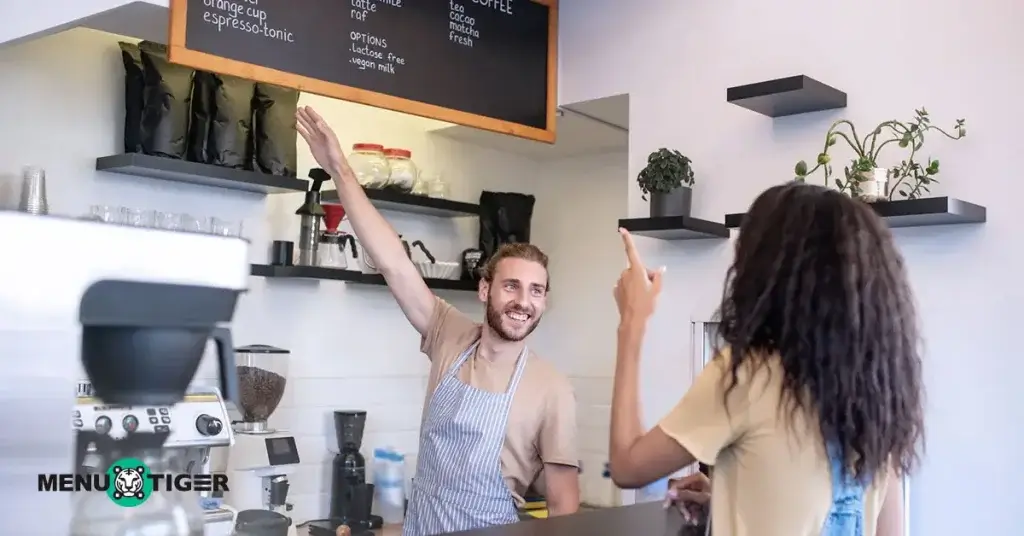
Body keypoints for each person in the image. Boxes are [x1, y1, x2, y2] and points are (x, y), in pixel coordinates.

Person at [295, 106, 580, 535]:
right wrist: (340, 168)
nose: (523, 301)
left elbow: (564, 508)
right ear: (485, 290)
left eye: (535, 291)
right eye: (511, 286)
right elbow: (393, 262)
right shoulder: (448, 333)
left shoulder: (551, 388)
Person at [608, 182, 924, 536]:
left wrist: (632, 322)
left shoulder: (747, 374)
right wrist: (732, 498)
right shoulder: (879, 394)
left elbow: (626, 466)